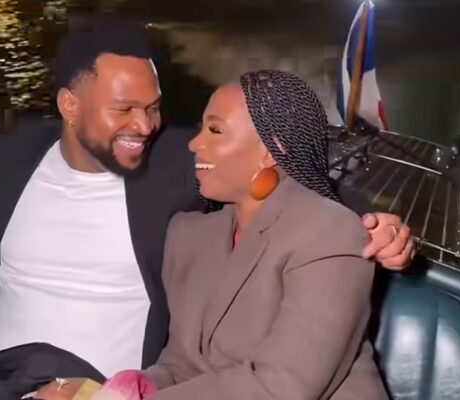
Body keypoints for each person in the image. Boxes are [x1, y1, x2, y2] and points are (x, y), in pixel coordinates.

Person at [0, 23, 412, 385]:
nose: (145, 125)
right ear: (70, 105)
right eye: (123, 109)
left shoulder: (174, 163)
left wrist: (375, 224)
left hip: (105, 387)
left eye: (153, 107)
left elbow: (293, 172)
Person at [85, 70, 389, 400]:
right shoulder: (189, 235)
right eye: (202, 128)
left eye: (215, 130)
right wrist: (142, 385)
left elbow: (283, 387)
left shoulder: (330, 233)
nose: (194, 143)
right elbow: (184, 366)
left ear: (269, 151)